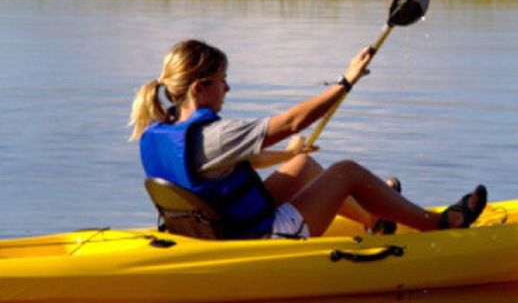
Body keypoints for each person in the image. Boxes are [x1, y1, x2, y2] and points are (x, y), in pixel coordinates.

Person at [129, 39, 487, 239]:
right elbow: (294, 120)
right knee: (346, 172)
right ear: (199, 88)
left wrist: (287, 156)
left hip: (218, 227)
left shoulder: (157, 131)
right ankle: (438, 226)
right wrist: (346, 81)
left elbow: (232, 169)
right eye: (223, 79)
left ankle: (376, 222)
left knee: (304, 164)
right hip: (257, 239)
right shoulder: (216, 135)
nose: (228, 87)